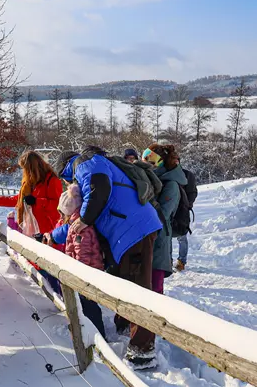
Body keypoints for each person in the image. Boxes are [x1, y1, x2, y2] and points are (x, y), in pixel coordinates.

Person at [55, 146, 162, 369]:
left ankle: (143, 351)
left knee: (138, 288)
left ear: (66, 168)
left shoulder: (86, 164)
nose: (68, 183)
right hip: (131, 229)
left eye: (65, 178)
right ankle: (125, 325)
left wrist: (85, 218)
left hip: (133, 229)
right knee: (125, 281)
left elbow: (99, 189)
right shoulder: (93, 164)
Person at [47, 181, 107, 337]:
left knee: (88, 304)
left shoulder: (80, 227)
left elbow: (83, 252)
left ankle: (97, 334)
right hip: (85, 270)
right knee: (84, 303)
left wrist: (78, 272)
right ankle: (86, 329)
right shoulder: (76, 222)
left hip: (87, 272)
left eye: (63, 213)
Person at [144, 144, 188, 293]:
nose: (145, 163)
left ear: (159, 162)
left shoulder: (171, 184)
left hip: (160, 239)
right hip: (146, 237)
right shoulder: (151, 178)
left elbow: (162, 214)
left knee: (155, 290)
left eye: (149, 160)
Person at [0, 150, 62, 237]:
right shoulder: (29, 182)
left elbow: (57, 205)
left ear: (32, 168)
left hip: (46, 230)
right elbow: (20, 200)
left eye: (25, 168)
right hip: (29, 227)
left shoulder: (52, 180)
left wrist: (37, 201)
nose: (24, 171)